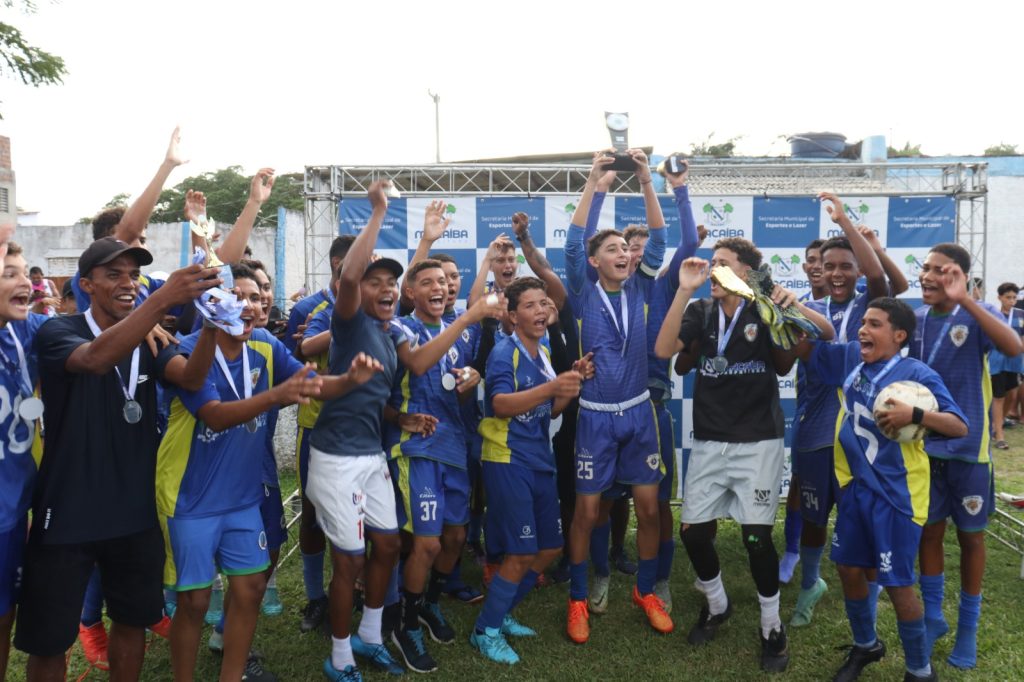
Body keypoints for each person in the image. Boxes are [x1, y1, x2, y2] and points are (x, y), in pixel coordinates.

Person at [305, 182, 501, 681]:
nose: (387, 289)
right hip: (333, 457)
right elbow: (353, 277)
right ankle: (341, 654)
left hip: (373, 453)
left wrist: (400, 418)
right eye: (378, 283)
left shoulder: (393, 333)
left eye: (392, 284)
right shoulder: (348, 321)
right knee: (349, 562)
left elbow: (412, 349)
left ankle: (373, 636)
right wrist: (380, 210)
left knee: (390, 547)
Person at [14, 238, 219, 681]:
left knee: (131, 622)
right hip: (66, 514)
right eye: (114, 275)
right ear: (86, 284)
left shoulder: (150, 335)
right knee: (51, 639)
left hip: (132, 512)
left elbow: (192, 376)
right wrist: (160, 300)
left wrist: (214, 326)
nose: (128, 283)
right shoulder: (60, 330)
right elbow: (96, 358)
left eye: (133, 275)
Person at [653, 243, 834, 673]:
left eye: (722, 264)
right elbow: (663, 352)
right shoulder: (699, 311)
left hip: (759, 443)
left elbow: (824, 332)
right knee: (694, 534)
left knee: (756, 539)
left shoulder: (766, 309)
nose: (714, 271)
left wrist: (794, 305)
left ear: (748, 273)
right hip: (712, 442)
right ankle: (717, 604)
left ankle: (771, 626)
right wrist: (682, 291)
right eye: (712, 264)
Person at [805, 297, 967, 682]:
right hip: (857, 490)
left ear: (899, 335)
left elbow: (958, 426)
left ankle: (919, 670)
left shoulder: (916, 374)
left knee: (897, 585)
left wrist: (915, 415)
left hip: (897, 497)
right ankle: (866, 645)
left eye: (875, 324)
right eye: (863, 322)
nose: (864, 329)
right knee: (847, 567)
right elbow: (812, 341)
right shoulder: (853, 362)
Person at [563, 150, 670, 643]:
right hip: (595, 417)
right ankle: (579, 599)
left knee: (649, 510)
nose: (623, 254)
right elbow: (570, 240)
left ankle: (645, 590)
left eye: (626, 250)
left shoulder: (643, 290)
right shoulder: (583, 290)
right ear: (593, 261)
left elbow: (661, 237)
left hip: (637, 414)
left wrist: (647, 180)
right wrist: (594, 183)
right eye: (611, 249)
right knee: (588, 513)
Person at [910, 243, 1022, 670]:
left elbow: (1014, 345)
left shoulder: (973, 317)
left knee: (971, 537)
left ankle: (969, 628)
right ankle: (935, 616)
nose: (929, 276)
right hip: (926, 446)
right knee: (930, 533)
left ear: (959, 277)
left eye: (942, 270)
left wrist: (968, 302)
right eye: (926, 268)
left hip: (969, 452)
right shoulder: (916, 320)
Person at [472, 277, 589, 664]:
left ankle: (499, 613)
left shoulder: (541, 354)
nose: (541, 311)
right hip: (507, 458)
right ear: (512, 315)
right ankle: (485, 631)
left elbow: (545, 411)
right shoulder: (505, 353)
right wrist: (553, 387)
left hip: (539, 459)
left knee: (550, 546)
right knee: (521, 552)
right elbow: (502, 404)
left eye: (544, 304)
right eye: (530, 305)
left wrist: (567, 389)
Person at [788, 193, 891, 628]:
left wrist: (845, 221)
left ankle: (868, 596)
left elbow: (879, 276)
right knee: (813, 514)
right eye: (828, 266)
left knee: (861, 518)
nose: (836, 273)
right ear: (817, 270)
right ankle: (811, 581)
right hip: (815, 426)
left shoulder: (872, 304)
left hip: (863, 434)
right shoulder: (806, 309)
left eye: (845, 266)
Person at [291, 237, 355, 634]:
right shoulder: (313, 308)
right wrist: (345, 324)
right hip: (317, 428)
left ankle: (352, 587)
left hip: (361, 430)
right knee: (313, 516)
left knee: (355, 513)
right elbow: (300, 353)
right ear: (338, 263)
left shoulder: (374, 300)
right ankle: (316, 597)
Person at [0, 242, 47, 680]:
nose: (24, 283)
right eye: (7, 274)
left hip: (13, 509)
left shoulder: (24, 332)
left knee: (3, 614)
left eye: (23, 274)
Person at [989, 282, 1024, 450]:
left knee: (1011, 395)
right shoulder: (993, 315)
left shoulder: (1021, 315)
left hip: (1015, 361)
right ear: (999, 298)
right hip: (996, 361)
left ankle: (997, 425)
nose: (1011, 301)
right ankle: (1000, 436)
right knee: (998, 397)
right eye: (1008, 297)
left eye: (1014, 297)